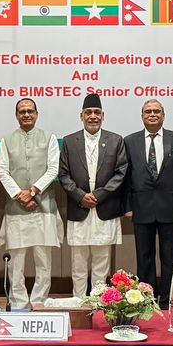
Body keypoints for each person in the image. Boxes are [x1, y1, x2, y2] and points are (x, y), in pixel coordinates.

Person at [58, 93, 129, 295]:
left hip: (104, 208)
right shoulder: (69, 141)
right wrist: (80, 196)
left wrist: (98, 195)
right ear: (81, 116)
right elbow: (63, 174)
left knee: (101, 263)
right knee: (78, 264)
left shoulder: (115, 140)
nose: (93, 116)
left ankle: (99, 304)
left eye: (97, 112)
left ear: (103, 116)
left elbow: (121, 172)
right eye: (88, 112)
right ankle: (79, 303)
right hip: (79, 208)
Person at [0, 98, 63, 308]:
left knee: (43, 260)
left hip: (44, 207)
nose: (26, 115)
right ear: (16, 115)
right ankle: (18, 302)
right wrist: (19, 195)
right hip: (16, 208)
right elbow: (2, 171)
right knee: (16, 261)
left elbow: (53, 169)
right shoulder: (6, 140)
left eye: (30, 111)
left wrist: (33, 191)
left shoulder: (49, 138)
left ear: (36, 114)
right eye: (22, 111)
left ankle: (39, 301)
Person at [124, 100, 173, 306]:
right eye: (148, 111)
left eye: (157, 111)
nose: (152, 114)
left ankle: (168, 301)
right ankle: (147, 300)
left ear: (163, 115)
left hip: (170, 206)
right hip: (141, 207)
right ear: (142, 116)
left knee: (170, 258)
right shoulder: (130, 141)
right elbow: (126, 177)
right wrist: (127, 206)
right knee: (144, 257)